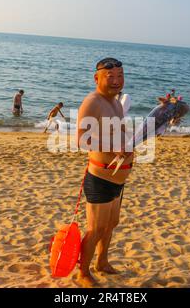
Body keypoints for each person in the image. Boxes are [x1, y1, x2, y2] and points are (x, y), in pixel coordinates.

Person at [76, 58, 134, 287]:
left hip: (118, 178)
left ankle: (102, 262)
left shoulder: (117, 103)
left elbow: (117, 134)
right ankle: (83, 272)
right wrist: (113, 148)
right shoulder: (92, 102)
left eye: (120, 76)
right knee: (96, 228)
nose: (117, 81)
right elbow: (81, 138)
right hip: (100, 177)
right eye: (111, 77)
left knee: (111, 224)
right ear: (97, 78)